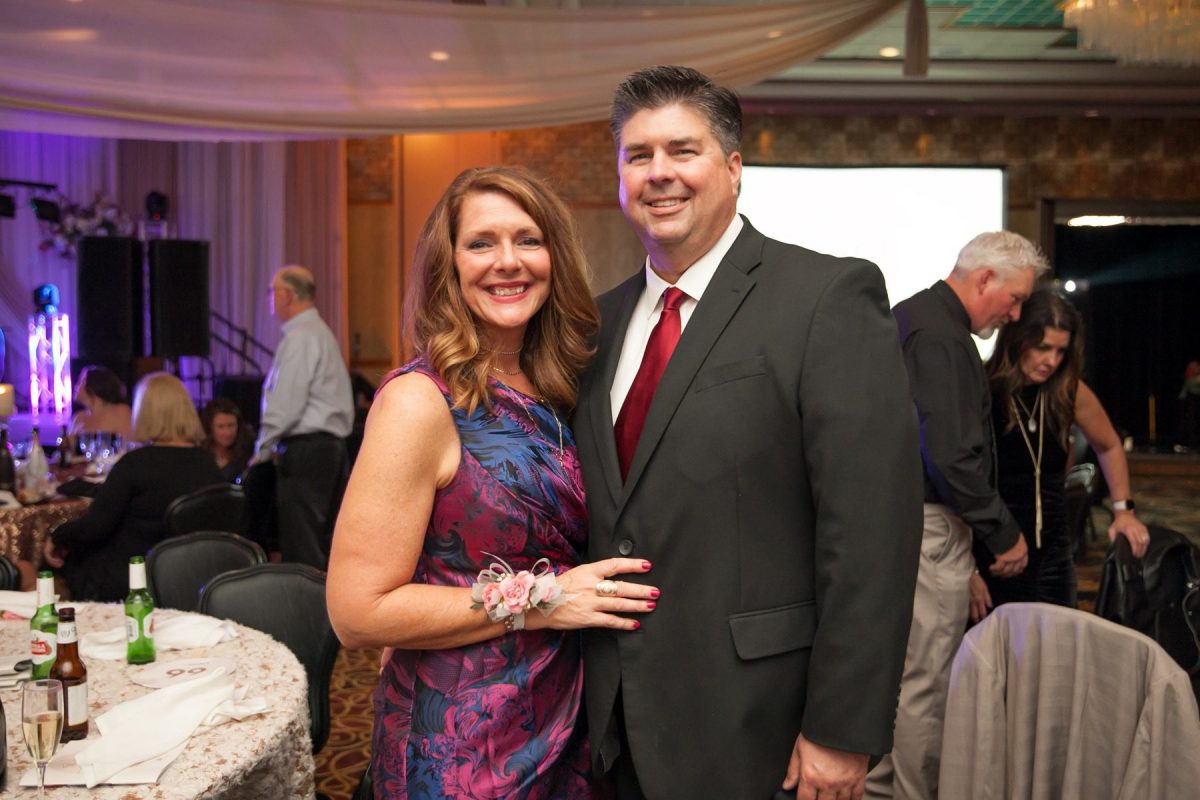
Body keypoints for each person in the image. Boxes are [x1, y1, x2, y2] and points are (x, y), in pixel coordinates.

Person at [570, 66, 923, 800]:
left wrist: (842, 729)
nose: (659, 173)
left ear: (733, 167)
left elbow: (871, 534)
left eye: (683, 150)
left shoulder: (825, 297)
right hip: (607, 722)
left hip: (757, 724)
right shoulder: (594, 324)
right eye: (638, 155)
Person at [327, 166, 658, 798]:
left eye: (528, 240)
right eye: (481, 243)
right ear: (448, 265)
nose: (508, 261)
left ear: (555, 257)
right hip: (462, 741)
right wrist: (542, 599)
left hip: (565, 712)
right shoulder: (419, 402)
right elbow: (357, 612)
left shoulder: (568, 386)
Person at [869, 231, 1048, 800]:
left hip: (908, 525)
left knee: (897, 678)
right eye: (1014, 299)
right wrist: (1002, 532)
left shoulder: (918, 318)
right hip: (929, 525)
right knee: (924, 684)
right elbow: (948, 454)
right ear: (985, 278)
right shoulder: (941, 337)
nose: (1015, 315)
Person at [968, 290, 1150, 621]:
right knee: (996, 651)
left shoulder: (1067, 390)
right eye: (1042, 347)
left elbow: (1109, 445)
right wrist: (966, 568)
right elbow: (956, 479)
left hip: (1053, 554)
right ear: (1017, 340)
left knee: (1058, 648)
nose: (1051, 361)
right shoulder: (982, 387)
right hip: (993, 553)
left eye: (1060, 351)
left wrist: (1124, 510)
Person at [44, 372, 223, 601]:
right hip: (192, 577)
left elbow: (95, 526)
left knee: (54, 563)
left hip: (132, 577)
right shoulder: (208, 463)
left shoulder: (135, 464)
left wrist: (57, 536)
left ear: (145, 412)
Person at [254, 265, 354, 569]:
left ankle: (306, 601)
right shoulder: (318, 332)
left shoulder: (302, 337)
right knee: (319, 542)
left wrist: (261, 450)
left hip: (308, 451)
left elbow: (286, 403)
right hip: (328, 449)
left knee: (303, 547)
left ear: (287, 295)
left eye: (272, 291)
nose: (270, 298)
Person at [69, 365, 133, 442]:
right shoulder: (78, 418)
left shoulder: (121, 412)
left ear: (94, 385)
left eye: (81, 382)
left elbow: (129, 444)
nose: (76, 386)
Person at [201, 397, 255, 483]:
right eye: (221, 426)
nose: (228, 433)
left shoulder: (249, 452)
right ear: (209, 427)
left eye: (231, 425)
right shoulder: (200, 454)